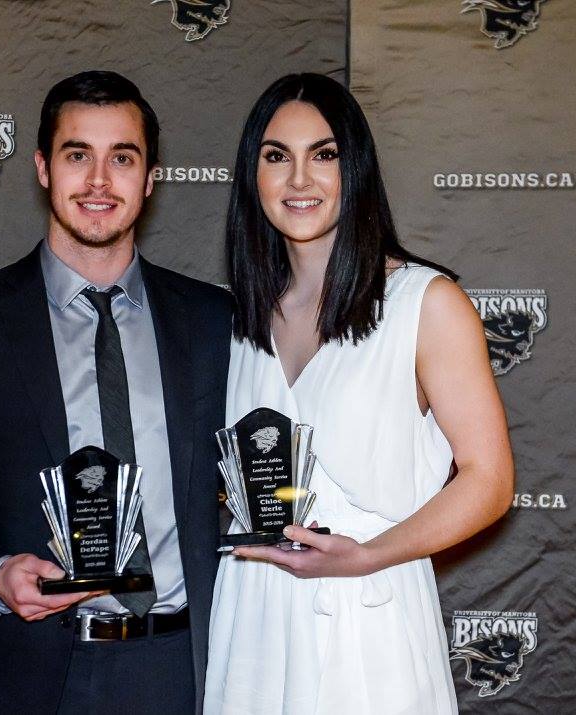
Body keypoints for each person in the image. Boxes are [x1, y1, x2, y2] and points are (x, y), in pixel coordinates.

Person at [0, 70, 232, 714]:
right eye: (76, 154)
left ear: (150, 179)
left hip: (178, 671)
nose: (98, 180)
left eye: (122, 157)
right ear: (41, 167)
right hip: (13, 674)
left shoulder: (214, 321)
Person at [204, 73, 515, 714]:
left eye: (324, 155)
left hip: (369, 618)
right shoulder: (235, 320)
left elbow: (490, 480)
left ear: (358, 168)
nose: (299, 180)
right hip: (253, 620)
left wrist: (367, 556)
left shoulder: (425, 304)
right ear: (250, 175)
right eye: (275, 157)